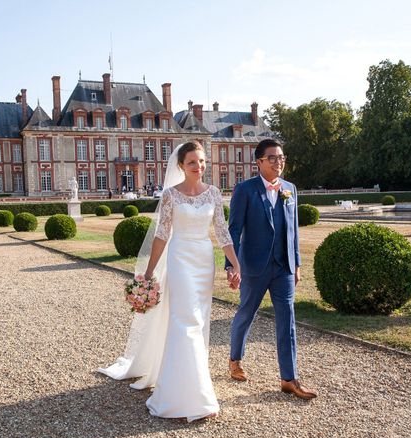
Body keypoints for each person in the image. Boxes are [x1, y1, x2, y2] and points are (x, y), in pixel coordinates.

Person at [99, 141, 241, 421]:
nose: (198, 167)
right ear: (180, 166)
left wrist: (235, 263)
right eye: (192, 163)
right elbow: (162, 235)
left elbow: (222, 233)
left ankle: (189, 386)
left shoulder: (213, 193)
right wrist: (149, 272)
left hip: (203, 261)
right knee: (185, 321)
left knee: (197, 322)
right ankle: (191, 397)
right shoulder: (170, 195)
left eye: (201, 162)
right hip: (179, 260)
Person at [225, 138, 317, 400]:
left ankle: (289, 378)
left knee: (287, 321)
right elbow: (233, 229)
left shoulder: (290, 189)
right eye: (273, 158)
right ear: (259, 162)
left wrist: (296, 262)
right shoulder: (245, 190)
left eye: (282, 158)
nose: (279, 163)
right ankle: (235, 359)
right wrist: (232, 265)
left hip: (284, 266)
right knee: (246, 313)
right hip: (253, 265)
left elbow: (293, 230)